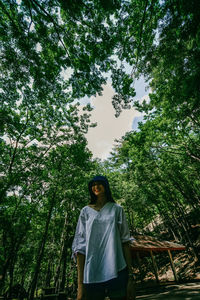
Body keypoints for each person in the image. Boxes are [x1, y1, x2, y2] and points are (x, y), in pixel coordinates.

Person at [72, 175, 136, 300]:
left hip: (117, 269)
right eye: (93, 185)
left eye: (99, 183)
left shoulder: (117, 209)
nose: (96, 187)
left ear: (106, 186)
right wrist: (80, 285)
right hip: (92, 272)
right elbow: (80, 247)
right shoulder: (85, 211)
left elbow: (125, 242)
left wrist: (131, 278)